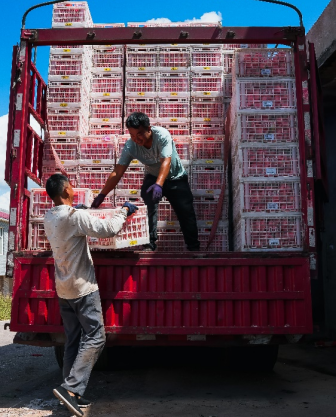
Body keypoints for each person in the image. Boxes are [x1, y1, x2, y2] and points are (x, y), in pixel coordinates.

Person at [43, 173, 138, 417]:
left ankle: (69, 393)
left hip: (63, 288)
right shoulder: (75, 217)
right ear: (65, 191)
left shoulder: (50, 216)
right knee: (96, 337)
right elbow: (107, 230)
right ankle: (71, 388)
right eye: (71, 187)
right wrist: (124, 210)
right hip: (82, 288)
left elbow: (72, 220)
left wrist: (82, 211)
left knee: (73, 342)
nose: (74, 190)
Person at [90, 112, 200, 251]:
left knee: (185, 210)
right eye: (132, 135)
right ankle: (150, 243)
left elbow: (166, 162)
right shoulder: (131, 146)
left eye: (139, 134)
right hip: (152, 176)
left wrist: (159, 185)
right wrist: (102, 194)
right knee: (148, 205)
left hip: (175, 177)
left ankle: (193, 248)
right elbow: (118, 172)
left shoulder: (162, 136)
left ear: (149, 129)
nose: (136, 139)